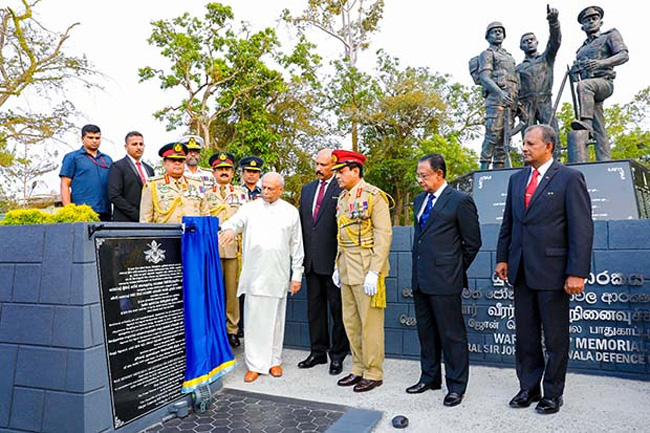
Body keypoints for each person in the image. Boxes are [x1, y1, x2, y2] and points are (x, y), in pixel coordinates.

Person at [496, 124, 593, 415]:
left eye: (529, 143)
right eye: (523, 143)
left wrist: (577, 272)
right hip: (521, 270)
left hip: (553, 272)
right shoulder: (516, 180)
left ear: (548, 146)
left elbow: (581, 229)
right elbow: (509, 224)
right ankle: (528, 388)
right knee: (525, 335)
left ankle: (552, 393)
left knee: (554, 337)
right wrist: (503, 258)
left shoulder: (569, 178)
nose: (523, 148)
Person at [408, 154, 481, 407]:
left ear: (439, 174)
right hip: (421, 279)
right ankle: (429, 377)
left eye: (424, 175)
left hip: (445, 281)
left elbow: (473, 243)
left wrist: (454, 270)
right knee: (426, 333)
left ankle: (456, 386)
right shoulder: (419, 201)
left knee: (452, 335)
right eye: (418, 175)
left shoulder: (460, 201)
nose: (420, 180)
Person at [218, 172, 304, 383]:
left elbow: (297, 245)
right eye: (264, 187)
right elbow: (234, 222)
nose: (265, 192)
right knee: (255, 322)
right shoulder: (250, 208)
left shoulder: (290, 212)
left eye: (271, 188)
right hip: (255, 275)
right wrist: (229, 230)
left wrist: (297, 275)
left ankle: (274, 361)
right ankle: (255, 364)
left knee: (276, 321)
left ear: (281, 190)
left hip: (279, 274)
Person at [331, 150, 392, 393]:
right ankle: (357, 367)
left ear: (355, 171)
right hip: (346, 266)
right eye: (336, 172)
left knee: (370, 324)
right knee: (352, 322)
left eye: (341, 171)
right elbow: (341, 235)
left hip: (367, 267)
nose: (337, 176)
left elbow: (383, 235)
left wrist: (375, 271)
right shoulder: (342, 198)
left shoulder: (374, 196)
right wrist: (337, 265)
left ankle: (373, 371)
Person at [297, 149, 349, 376]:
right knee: (314, 311)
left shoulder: (343, 188)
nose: (319, 169)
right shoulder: (307, 190)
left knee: (338, 311)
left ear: (334, 165)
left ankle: (337, 356)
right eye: (317, 164)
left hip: (334, 262)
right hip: (311, 262)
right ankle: (317, 352)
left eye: (324, 165)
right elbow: (304, 225)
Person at [569, 5, 629, 161]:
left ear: (600, 22)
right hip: (588, 94)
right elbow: (578, 77)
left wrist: (601, 63)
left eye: (594, 19)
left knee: (585, 85)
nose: (591, 22)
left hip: (604, 83)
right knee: (599, 127)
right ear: (582, 27)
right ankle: (605, 161)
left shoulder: (610, 35)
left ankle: (586, 123)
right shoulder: (580, 50)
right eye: (587, 20)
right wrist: (575, 73)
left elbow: (623, 55)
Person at [205, 151, 248, 348]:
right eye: (220, 169)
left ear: (232, 172)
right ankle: (215, 330)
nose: (224, 172)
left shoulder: (241, 193)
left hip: (233, 250)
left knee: (233, 292)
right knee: (213, 291)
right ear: (213, 172)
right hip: (212, 248)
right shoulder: (204, 192)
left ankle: (232, 330)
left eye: (227, 169)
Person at [517, 6, 561, 160]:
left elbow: (555, 42)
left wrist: (553, 22)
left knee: (552, 134)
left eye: (531, 40)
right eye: (525, 41)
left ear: (537, 42)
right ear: (521, 46)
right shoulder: (518, 68)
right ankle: (529, 167)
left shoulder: (546, 59)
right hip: (526, 105)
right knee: (528, 138)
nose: (529, 42)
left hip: (544, 101)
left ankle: (556, 164)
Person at [479, 22, 519, 170]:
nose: (497, 34)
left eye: (500, 32)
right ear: (487, 36)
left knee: (505, 140)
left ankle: (499, 172)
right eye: (494, 32)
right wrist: (500, 93)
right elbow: (485, 77)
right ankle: (483, 170)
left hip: (511, 100)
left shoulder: (509, 57)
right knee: (492, 135)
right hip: (496, 100)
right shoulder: (487, 54)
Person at [140, 143, 210, 223]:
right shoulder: (152, 185)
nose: (177, 163)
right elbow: (145, 220)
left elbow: (205, 215)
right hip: (164, 234)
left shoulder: (197, 184)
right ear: (164, 163)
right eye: (173, 160)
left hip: (193, 234)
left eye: (180, 160)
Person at [59, 124, 113, 221]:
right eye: (90, 137)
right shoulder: (72, 157)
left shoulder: (107, 159)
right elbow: (65, 184)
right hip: (82, 212)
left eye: (97, 138)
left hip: (106, 211)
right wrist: (68, 210)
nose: (94, 140)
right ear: (82, 138)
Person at [107, 131, 155, 222]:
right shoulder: (117, 166)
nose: (138, 147)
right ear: (126, 147)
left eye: (141, 144)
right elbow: (114, 195)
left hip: (147, 220)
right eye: (134, 144)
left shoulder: (149, 169)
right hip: (125, 220)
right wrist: (136, 214)